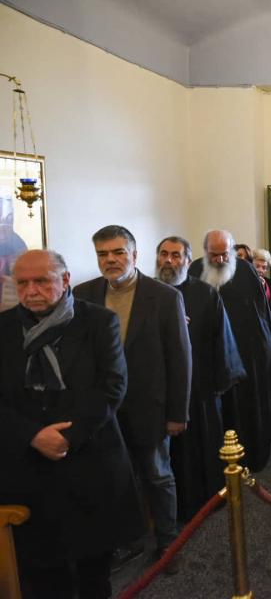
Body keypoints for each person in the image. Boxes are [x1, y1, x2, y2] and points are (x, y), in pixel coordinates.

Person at [0, 250, 144, 598]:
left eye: (41, 281)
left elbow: (112, 387)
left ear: (65, 280)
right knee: (42, 574)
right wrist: (33, 435)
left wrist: (69, 437)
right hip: (27, 465)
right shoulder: (3, 328)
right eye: (22, 283)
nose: (31, 291)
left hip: (89, 460)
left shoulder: (99, 322)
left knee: (94, 573)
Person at [74, 225, 191, 570]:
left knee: (157, 475)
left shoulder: (164, 297)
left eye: (118, 252)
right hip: (103, 410)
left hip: (149, 405)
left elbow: (180, 358)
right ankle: (127, 541)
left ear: (134, 255)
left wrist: (178, 413)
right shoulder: (83, 294)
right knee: (114, 479)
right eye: (103, 254)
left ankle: (168, 543)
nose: (110, 260)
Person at [156, 236, 245, 521]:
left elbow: (222, 340)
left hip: (200, 387)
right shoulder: (149, 293)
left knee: (199, 449)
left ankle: (203, 502)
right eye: (164, 254)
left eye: (175, 255)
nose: (168, 261)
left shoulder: (205, 293)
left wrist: (219, 387)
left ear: (187, 259)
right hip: (159, 389)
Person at [188, 230, 271, 472]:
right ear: (205, 251)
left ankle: (250, 457)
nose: (220, 260)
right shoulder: (195, 270)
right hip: (208, 356)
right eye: (214, 255)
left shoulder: (246, 271)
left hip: (245, 354)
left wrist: (266, 352)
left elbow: (260, 316)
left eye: (225, 254)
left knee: (244, 409)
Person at [252, 248, 271, 325]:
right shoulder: (245, 283)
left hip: (268, 323)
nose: (260, 270)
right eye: (257, 266)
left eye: (264, 267)